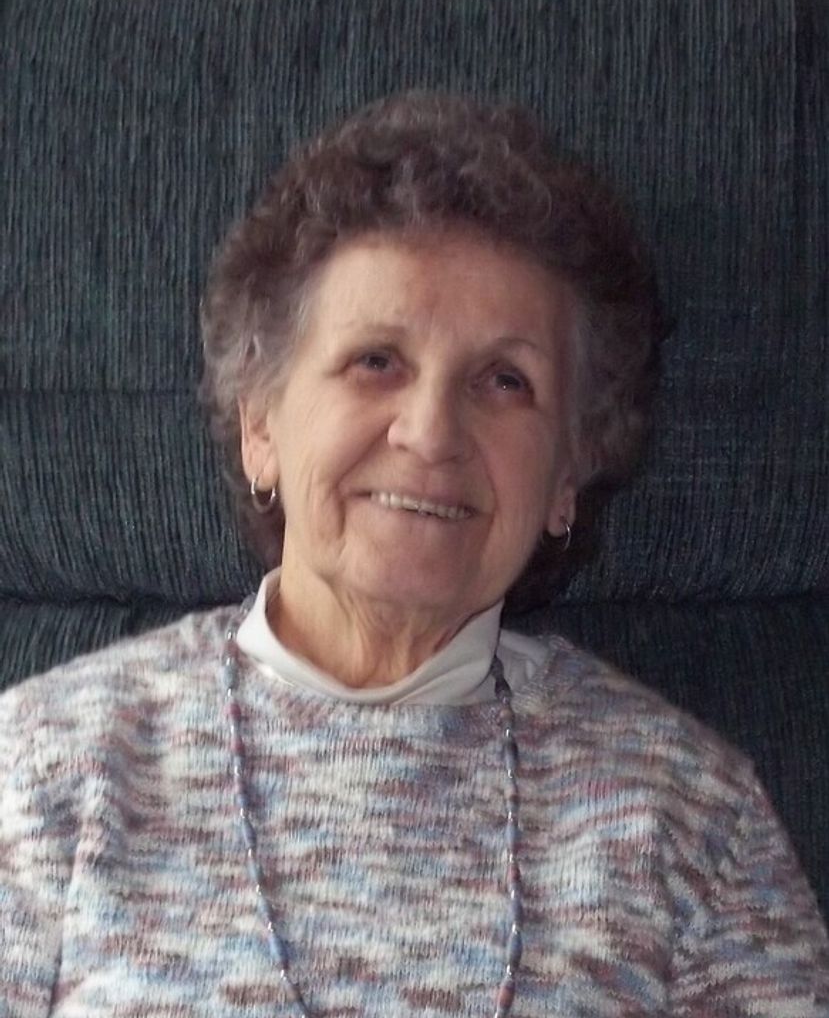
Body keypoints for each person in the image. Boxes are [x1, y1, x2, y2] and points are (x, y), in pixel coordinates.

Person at [1, 91, 827, 1017]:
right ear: (261, 424)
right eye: (376, 362)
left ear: (566, 474)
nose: (431, 433)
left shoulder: (692, 819)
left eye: (504, 381)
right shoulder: (44, 767)